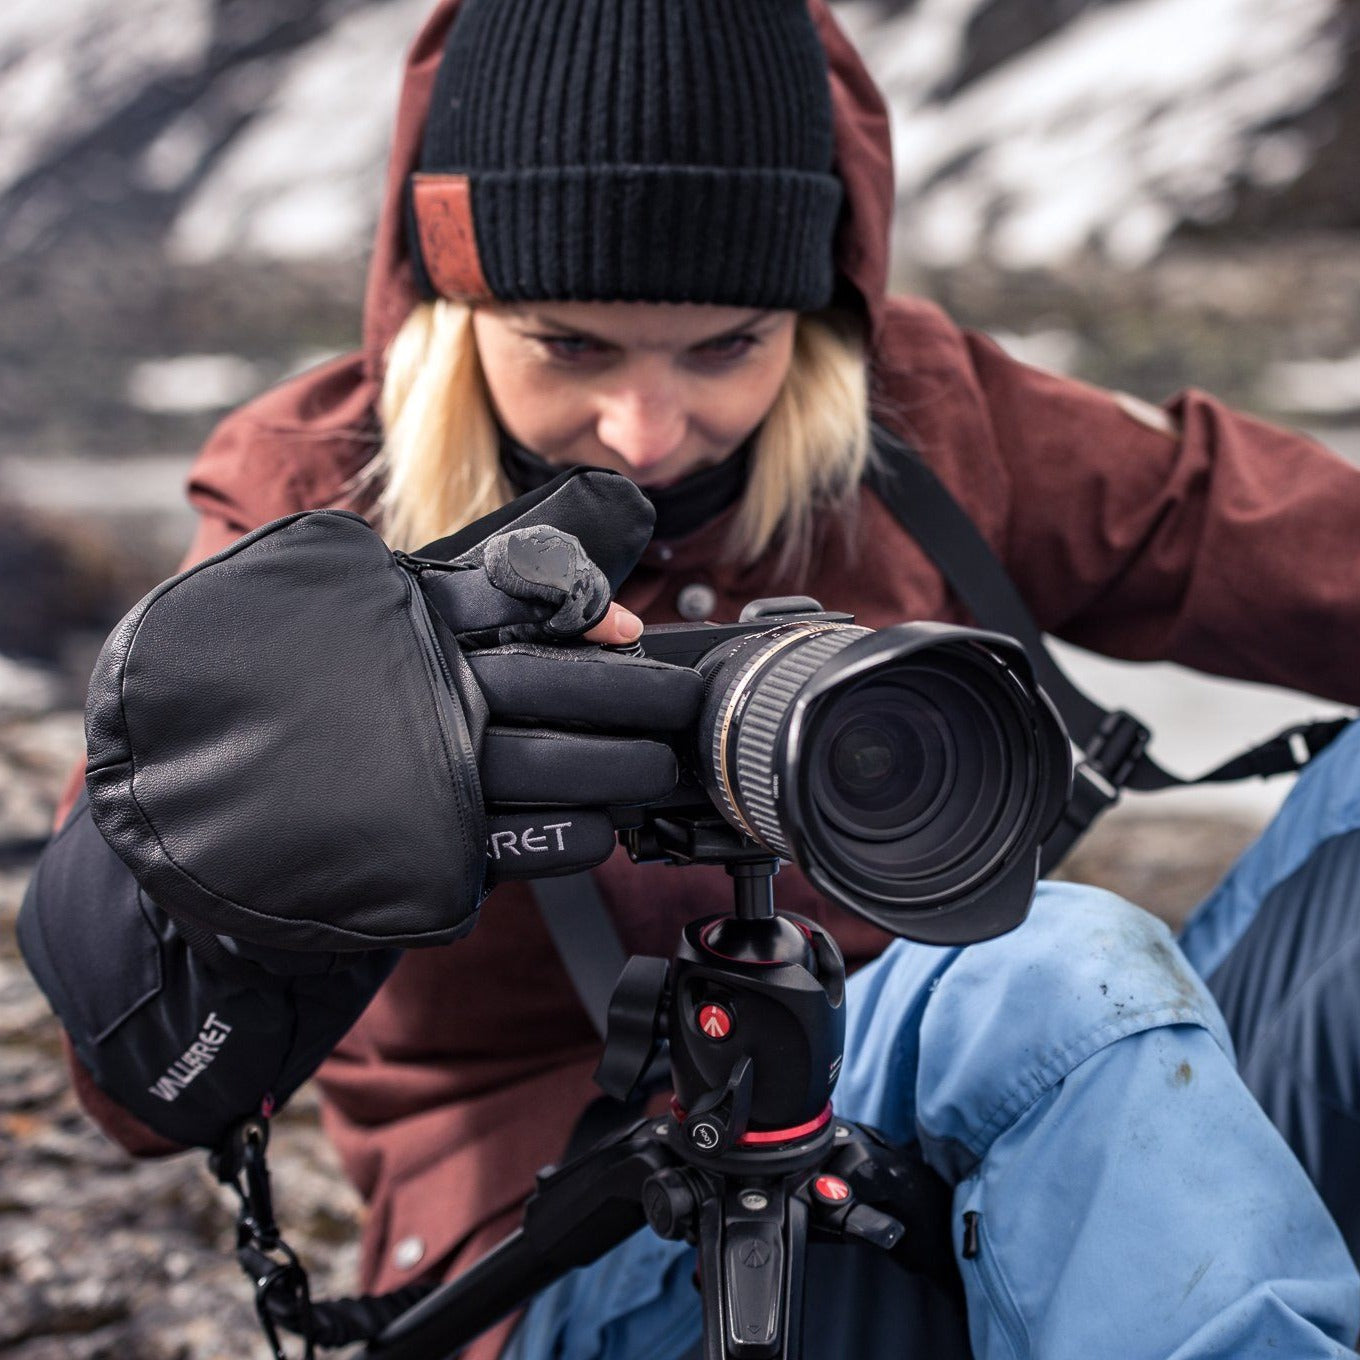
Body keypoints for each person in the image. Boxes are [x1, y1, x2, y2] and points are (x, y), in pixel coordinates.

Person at [18, 1, 1360, 1356]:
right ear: (452, 299)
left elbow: (1271, 538)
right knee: (1046, 970)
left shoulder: (922, 417)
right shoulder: (316, 510)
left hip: (990, 1126)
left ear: (814, 311)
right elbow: (134, 1086)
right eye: (568, 344)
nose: (646, 432)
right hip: (574, 1243)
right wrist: (334, 781)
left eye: (728, 346)